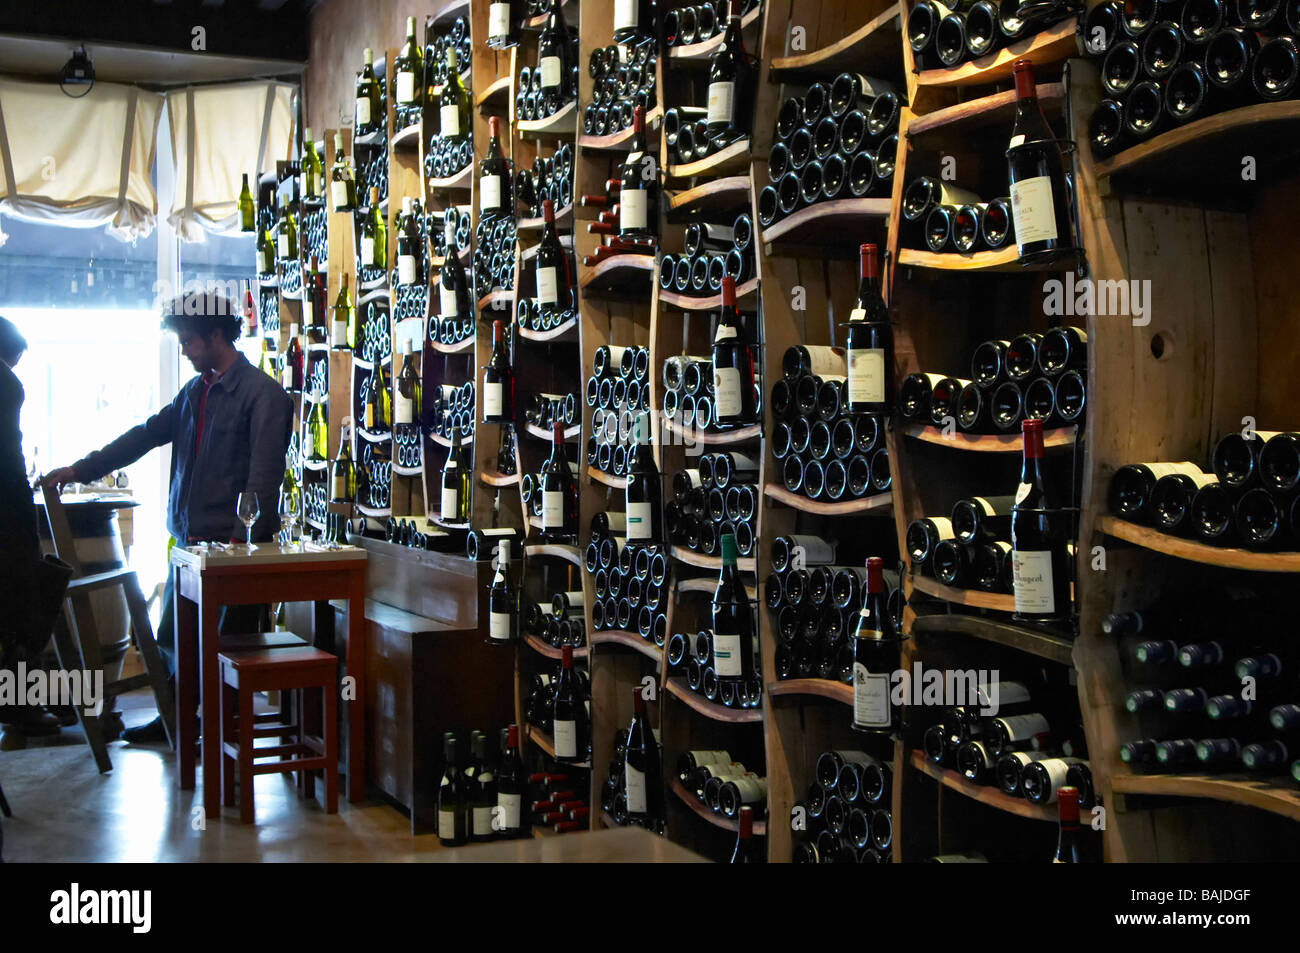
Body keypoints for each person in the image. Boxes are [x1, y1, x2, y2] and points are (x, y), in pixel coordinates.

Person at [42, 289, 293, 743]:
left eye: (189, 341)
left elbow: (263, 476)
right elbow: (142, 436)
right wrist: (82, 469)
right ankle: (177, 720)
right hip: (189, 545)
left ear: (216, 335)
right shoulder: (193, 393)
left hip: (233, 553)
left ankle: (221, 742)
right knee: (175, 643)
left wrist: (239, 542)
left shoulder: (264, 395)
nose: (182, 349)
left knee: (225, 651)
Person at [0, 316, 64, 745]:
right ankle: (22, 704)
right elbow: (10, 456)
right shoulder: (6, 382)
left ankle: (28, 699)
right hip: (7, 508)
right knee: (24, 606)